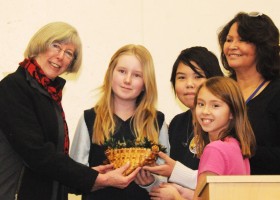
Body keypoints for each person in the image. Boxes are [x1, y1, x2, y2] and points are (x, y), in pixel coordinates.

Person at [0, 22, 140, 200]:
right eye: (56, 46)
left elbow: (53, 161)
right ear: (40, 44)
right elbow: (37, 154)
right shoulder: (14, 87)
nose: (60, 56)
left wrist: (88, 174)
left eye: (68, 53)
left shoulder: (48, 94)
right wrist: (94, 178)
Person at [70, 44, 170, 200]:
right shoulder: (89, 119)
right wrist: (98, 179)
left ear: (146, 83)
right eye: (122, 71)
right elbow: (74, 177)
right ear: (111, 74)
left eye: (137, 75)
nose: (127, 80)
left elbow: (166, 181)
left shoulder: (157, 122)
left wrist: (150, 183)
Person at [150, 77, 256, 200]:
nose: (205, 111)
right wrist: (185, 193)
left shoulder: (214, 149)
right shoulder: (236, 146)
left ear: (232, 112)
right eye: (201, 104)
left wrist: (175, 197)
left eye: (215, 105)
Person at [143, 47, 223, 194]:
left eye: (198, 76)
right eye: (181, 77)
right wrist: (149, 182)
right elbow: (169, 183)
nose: (189, 84)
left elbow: (218, 182)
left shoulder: (222, 123)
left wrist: (175, 171)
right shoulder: (177, 123)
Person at [218, 11, 280, 174]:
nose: (232, 46)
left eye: (243, 40)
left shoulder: (276, 91)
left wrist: (239, 151)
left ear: (262, 46)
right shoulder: (220, 90)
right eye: (229, 40)